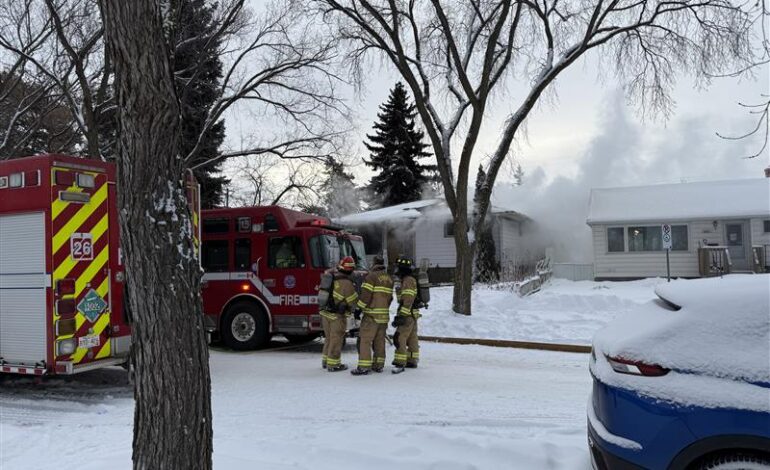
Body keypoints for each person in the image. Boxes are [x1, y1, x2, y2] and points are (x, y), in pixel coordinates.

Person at [351, 254, 393, 375]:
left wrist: (359, 309)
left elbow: (366, 296)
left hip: (371, 316)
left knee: (365, 340)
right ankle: (378, 365)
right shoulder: (389, 279)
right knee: (380, 341)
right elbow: (390, 298)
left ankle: (364, 367)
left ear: (374, 264)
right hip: (384, 316)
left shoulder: (371, 277)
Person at [320, 256, 358, 372]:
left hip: (325, 313)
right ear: (350, 270)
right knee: (336, 339)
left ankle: (326, 361)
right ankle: (334, 364)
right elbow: (353, 302)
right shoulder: (347, 283)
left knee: (329, 338)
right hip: (336, 316)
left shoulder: (331, 277)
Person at [392, 257, 420, 372]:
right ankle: (412, 360)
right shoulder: (410, 279)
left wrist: (402, 315)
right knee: (412, 338)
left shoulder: (408, 280)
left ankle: (400, 362)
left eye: (398, 267)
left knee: (399, 337)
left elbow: (408, 299)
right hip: (412, 313)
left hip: (407, 314)